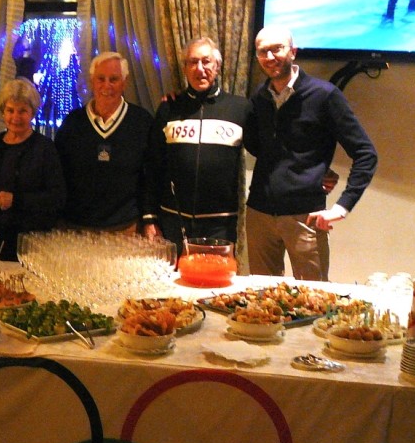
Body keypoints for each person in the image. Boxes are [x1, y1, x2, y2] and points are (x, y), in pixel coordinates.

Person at [244, 26, 378, 281]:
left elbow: (366, 153)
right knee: (260, 301)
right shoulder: (258, 99)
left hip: (305, 217)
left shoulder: (324, 95)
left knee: (314, 300)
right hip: (259, 214)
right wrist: (308, 166)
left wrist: (342, 207)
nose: (270, 57)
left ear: (292, 52)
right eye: (263, 52)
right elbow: (258, 146)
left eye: (277, 49)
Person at [143, 37, 250, 247]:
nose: (200, 69)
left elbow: (269, 149)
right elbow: (152, 165)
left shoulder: (241, 108)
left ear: (217, 66)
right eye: (193, 62)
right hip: (172, 220)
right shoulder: (168, 108)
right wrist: (149, 216)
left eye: (206, 61)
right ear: (184, 68)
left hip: (220, 223)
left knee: (216, 280)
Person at [54, 52, 153, 234]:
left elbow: (150, 177)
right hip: (76, 228)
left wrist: (149, 219)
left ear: (125, 82)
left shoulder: (142, 122)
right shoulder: (72, 123)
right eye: (101, 79)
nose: (106, 85)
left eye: (113, 79)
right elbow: (58, 175)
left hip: (126, 229)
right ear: (92, 81)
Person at [0, 79, 66, 261]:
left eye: (23, 111)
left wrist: (16, 200)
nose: (16, 117)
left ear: (32, 113)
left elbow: (57, 197)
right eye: (10, 110)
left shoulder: (45, 148)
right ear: (3, 112)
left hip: (28, 244)